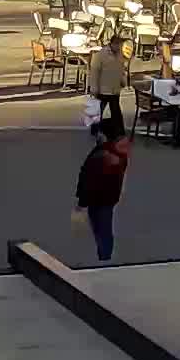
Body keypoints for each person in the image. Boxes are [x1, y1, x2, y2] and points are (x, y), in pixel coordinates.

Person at [75, 121, 131, 262]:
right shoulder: (115, 151)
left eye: (99, 133)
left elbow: (91, 179)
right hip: (109, 197)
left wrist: (82, 202)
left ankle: (104, 259)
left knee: (102, 230)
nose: (96, 136)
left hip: (100, 198)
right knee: (103, 229)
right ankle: (104, 256)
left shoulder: (104, 154)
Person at [87, 37, 129, 139]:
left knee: (116, 111)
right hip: (103, 89)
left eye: (121, 45)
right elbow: (94, 72)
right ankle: (95, 129)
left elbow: (121, 70)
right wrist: (94, 87)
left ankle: (119, 132)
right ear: (113, 44)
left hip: (114, 89)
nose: (120, 47)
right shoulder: (101, 55)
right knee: (98, 110)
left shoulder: (120, 55)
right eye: (118, 45)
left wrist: (123, 81)